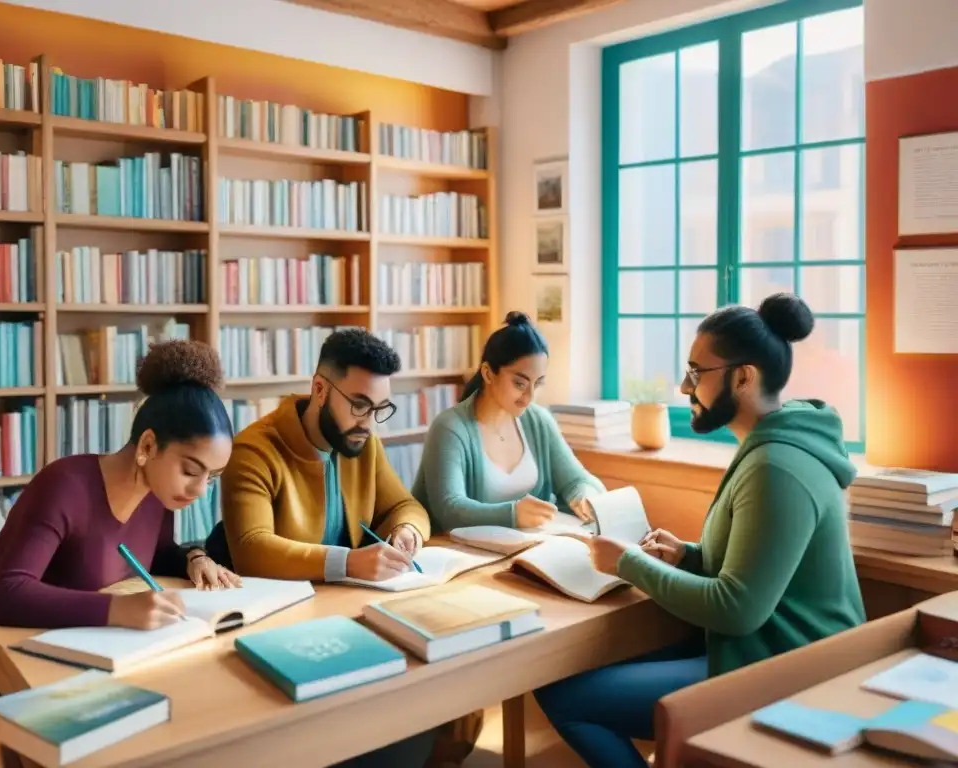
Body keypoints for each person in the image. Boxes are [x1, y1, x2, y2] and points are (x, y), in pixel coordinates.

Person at [533, 293, 867, 768]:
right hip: (769, 652)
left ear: (743, 377)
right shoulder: (771, 448)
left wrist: (629, 562)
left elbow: (736, 609)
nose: (684, 386)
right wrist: (687, 555)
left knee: (565, 697)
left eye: (695, 373)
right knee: (578, 668)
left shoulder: (777, 466)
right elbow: (759, 570)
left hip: (785, 669)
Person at [0, 339, 241, 767]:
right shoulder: (66, 485)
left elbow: (155, 553)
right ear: (148, 446)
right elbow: (5, 595)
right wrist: (121, 610)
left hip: (42, 674)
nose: (199, 489)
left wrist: (194, 559)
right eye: (191, 470)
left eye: (212, 476)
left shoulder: (157, 494)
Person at [205, 327, 439, 768]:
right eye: (359, 405)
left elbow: (406, 505)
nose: (368, 422)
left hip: (345, 612)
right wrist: (350, 561)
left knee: (422, 695)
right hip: (277, 627)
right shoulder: (254, 449)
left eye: (379, 409)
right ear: (319, 389)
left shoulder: (362, 442)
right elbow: (253, 549)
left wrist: (408, 532)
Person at [412, 311, 606, 533]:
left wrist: (584, 497)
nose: (530, 396)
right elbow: (449, 509)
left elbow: (578, 481)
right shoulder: (450, 428)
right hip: (461, 554)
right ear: (487, 373)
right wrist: (513, 514)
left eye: (538, 383)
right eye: (520, 384)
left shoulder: (538, 421)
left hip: (528, 551)